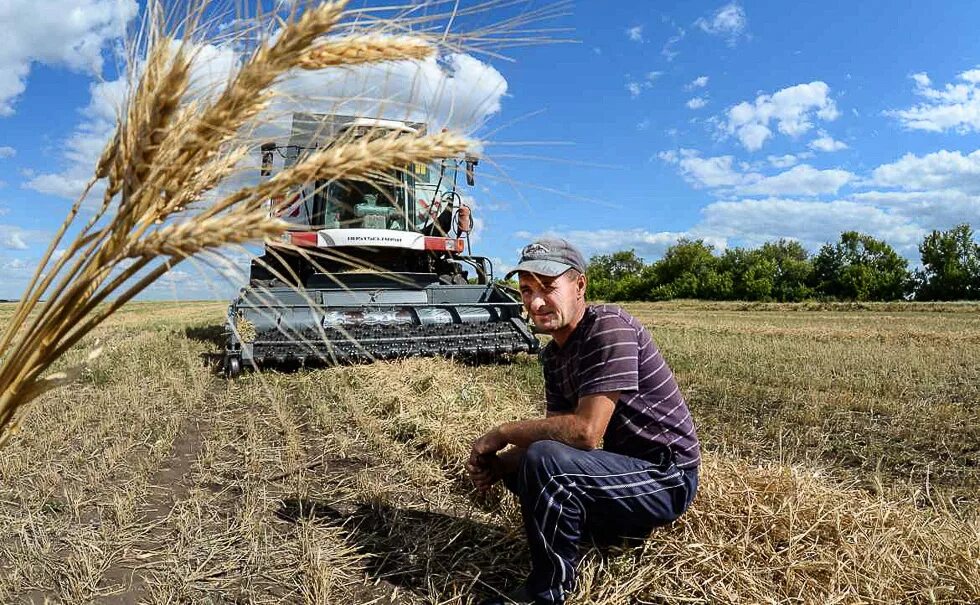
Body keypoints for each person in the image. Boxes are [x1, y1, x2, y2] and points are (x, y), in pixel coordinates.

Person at [467, 238, 700, 605]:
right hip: (624, 470)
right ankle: (606, 534)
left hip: (666, 478)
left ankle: (546, 592)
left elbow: (585, 434)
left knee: (542, 460)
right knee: (529, 464)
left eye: (548, 288)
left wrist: (503, 433)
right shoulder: (554, 356)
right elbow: (554, 441)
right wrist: (499, 466)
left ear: (579, 286)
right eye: (526, 291)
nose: (536, 302)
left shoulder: (608, 327)